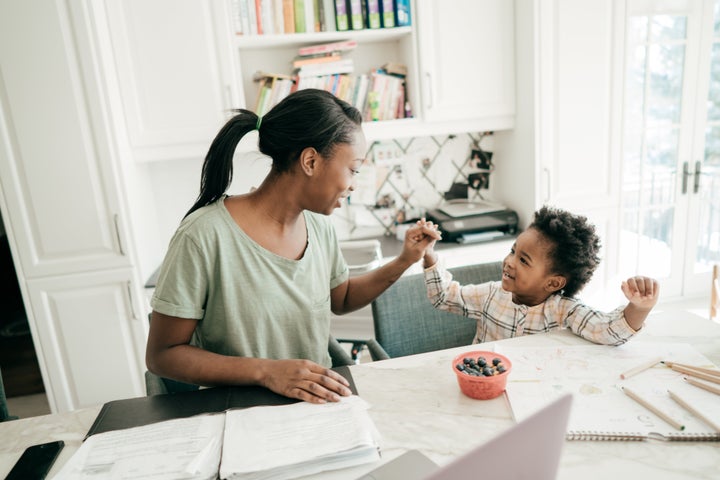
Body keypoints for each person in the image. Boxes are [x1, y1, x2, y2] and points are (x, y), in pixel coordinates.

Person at [146, 89, 440, 404]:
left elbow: (340, 299)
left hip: (318, 406)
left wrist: (405, 260)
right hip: (239, 414)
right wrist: (267, 371)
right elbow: (163, 356)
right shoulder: (203, 235)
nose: (354, 183)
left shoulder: (319, 226)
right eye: (353, 169)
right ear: (310, 161)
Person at [420, 206, 660, 345]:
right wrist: (429, 254)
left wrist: (638, 308)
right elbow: (444, 297)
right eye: (513, 251)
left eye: (523, 260)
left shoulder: (564, 310)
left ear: (553, 282)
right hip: (486, 386)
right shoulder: (491, 295)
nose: (509, 262)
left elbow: (607, 332)